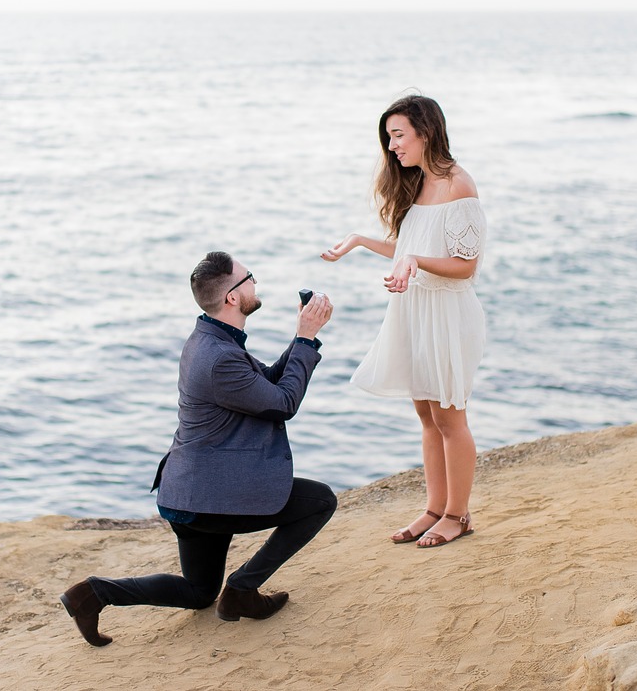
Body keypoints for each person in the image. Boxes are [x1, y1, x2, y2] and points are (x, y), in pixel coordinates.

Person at [60, 251, 337, 647]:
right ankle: (242, 589)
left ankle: (93, 593)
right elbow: (282, 403)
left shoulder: (211, 339)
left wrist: (301, 338)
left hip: (187, 493)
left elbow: (266, 388)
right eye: (250, 278)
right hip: (207, 498)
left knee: (199, 592)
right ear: (232, 298)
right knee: (321, 501)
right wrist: (307, 339)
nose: (256, 283)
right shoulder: (219, 357)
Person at [322, 94, 486, 549]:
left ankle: (457, 514)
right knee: (427, 416)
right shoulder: (416, 184)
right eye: (389, 137)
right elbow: (409, 247)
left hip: (448, 313)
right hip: (415, 309)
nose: (391, 146)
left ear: (425, 132)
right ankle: (435, 507)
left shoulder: (459, 186)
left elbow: (464, 265)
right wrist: (359, 240)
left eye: (398, 135)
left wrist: (414, 259)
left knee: (451, 418)